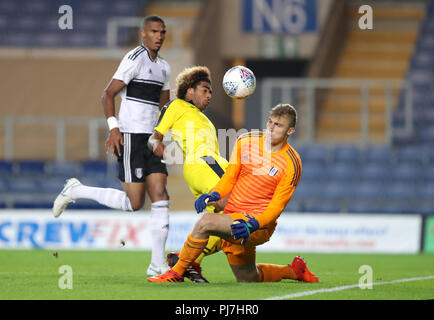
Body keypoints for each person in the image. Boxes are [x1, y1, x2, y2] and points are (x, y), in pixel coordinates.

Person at [52, 15, 172, 277]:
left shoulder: (164, 67)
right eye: (154, 31)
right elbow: (108, 93)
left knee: (161, 195)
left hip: (151, 141)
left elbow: (165, 107)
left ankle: (157, 264)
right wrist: (114, 128)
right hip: (130, 136)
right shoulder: (134, 59)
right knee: (135, 202)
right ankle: (76, 190)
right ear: (143, 34)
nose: (159, 36)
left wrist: (162, 137)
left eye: (162, 32)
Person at [148, 103, 319, 283]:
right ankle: (293, 271)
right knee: (248, 277)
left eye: (278, 125)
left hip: (256, 225)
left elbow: (277, 206)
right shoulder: (246, 141)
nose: (271, 128)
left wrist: (253, 224)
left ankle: (175, 273)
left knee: (206, 222)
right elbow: (230, 178)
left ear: (289, 131)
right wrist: (213, 195)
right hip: (234, 217)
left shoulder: (292, 163)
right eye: (270, 122)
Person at [147, 66, 229, 282]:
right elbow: (154, 138)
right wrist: (164, 151)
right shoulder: (177, 106)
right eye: (205, 90)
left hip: (209, 165)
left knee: (221, 226)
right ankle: (186, 262)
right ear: (190, 91)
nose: (209, 95)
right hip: (203, 163)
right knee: (236, 209)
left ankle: (187, 261)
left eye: (211, 92)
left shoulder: (206, 120)